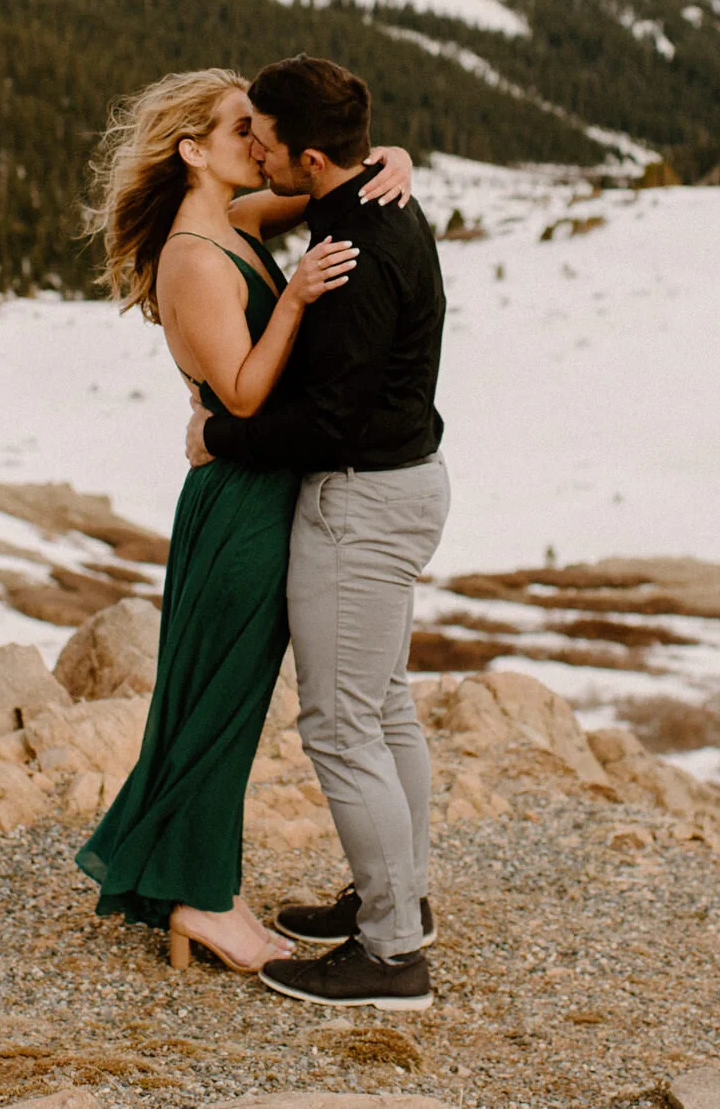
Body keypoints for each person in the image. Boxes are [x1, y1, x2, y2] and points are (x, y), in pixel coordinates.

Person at [74, 67, 415, 974]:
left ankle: (196, 887)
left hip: (264, 495)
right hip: (243, 502)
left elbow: (318, 180)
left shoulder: (233, 220)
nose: (257, 145)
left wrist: (393, 159)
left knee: (225, 698)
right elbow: (244, 394)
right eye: (239, 129)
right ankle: (202, 900)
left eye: (264, 131)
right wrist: (297, 298)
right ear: (194, 150)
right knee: (219, 703)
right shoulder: (194, 254)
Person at [190, 55, 449, 1013]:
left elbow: (331, 422)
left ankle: (389, 958)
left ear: (309, 155)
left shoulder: (352, 253)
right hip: (406, 485)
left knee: (341, 726)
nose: (252, 147)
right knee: (383, 710)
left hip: (362, 500)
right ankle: (398, 909)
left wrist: (221, 434)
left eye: (263, 137)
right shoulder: (369, 206)